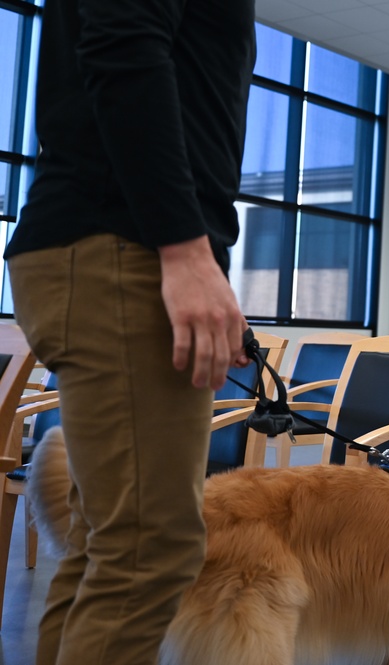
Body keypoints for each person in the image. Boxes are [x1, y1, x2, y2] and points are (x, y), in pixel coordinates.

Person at [4, 1, 256, 663]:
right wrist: (183, 248)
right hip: (124, 246)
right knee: (150, 550)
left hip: (110, 245)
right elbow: (122, 44)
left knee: (108, 545)